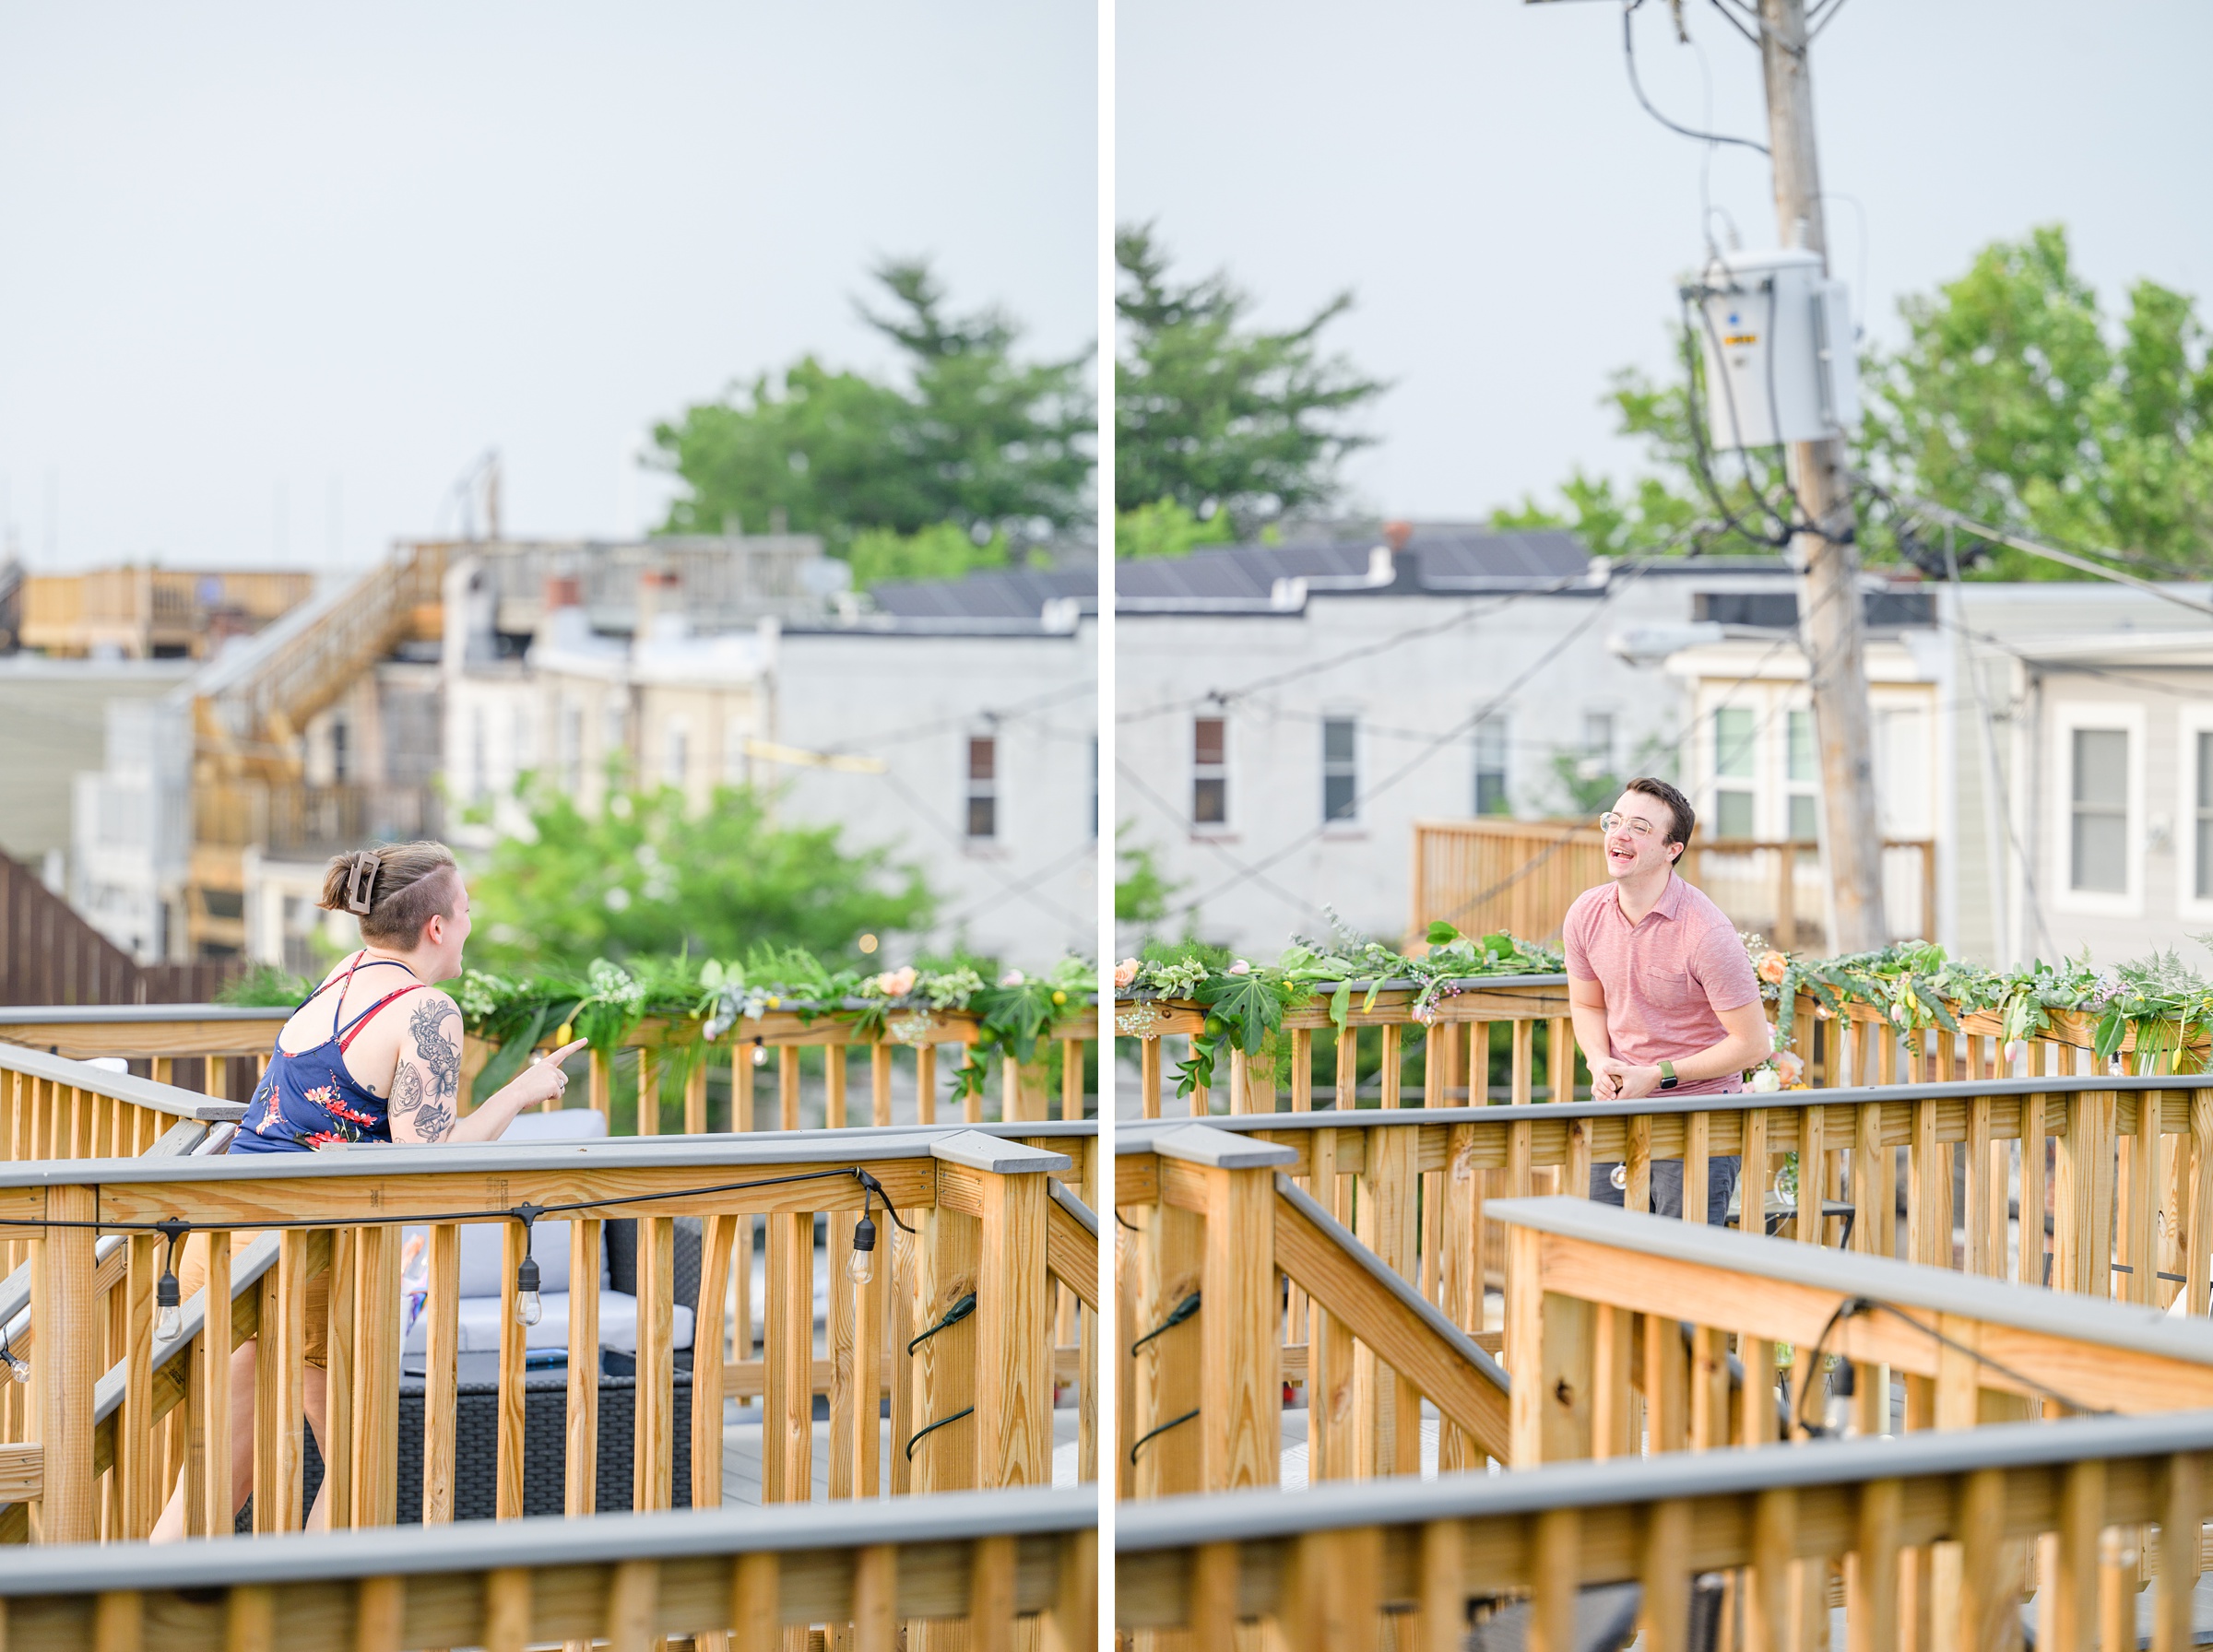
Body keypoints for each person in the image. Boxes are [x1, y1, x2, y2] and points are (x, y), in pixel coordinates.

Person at [151, 842, 585, 1540]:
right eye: (467, 911)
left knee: (212, 1485)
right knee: (357, 1477)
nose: (471, 925)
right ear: (437, 927)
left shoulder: (342, 975)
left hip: (228, 1235)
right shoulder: (427, 1009)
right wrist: (523, 1091)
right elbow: (430, 1159)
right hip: (314, 1256)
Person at [1567, 778, 1771, 1225]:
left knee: (1685, 1269)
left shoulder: (1707, 934)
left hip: (1698, 1121)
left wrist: (1656, 1076)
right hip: (1619, 1109)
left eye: (1639, 827)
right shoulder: (1586, 913)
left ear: (1672, 849)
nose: (1619, 834)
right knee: (1606, 1257)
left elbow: (1754, 1045)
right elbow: (1587, 1006)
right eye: (1614, 821)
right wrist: (1598, 1062)